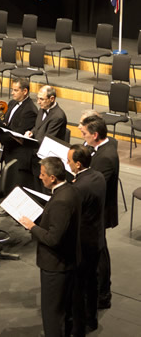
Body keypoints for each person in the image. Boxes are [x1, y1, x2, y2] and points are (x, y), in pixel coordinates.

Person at [20, 157, 81, 337]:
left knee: (52, 313)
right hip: (68, 260)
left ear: (53, 177)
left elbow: (54, 239)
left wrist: (32, 226)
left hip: (56, 265)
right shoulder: (71, 190)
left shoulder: (60, 201)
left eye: (43, 174)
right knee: (64, 310)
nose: (40, 177)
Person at [79, 115, 119, 310]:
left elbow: (94, 187)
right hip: (96, 210)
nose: (82, 137)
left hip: (99, 212)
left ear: (95, 135)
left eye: (85, 134)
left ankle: (103, 294)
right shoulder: (102, 146)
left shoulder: (105, 158)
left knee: (99, 252)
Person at [67, 144, 106, 334]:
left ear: (79, 164)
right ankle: (92, 319)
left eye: (70, 161)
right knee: (92, 282)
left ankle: (78, 326)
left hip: (82, 243)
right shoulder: (98, 176)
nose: (68, 163)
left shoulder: (78, 188)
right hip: (97, 237)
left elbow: (70, 215)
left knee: (78, 287)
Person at [0, 77, 38, 190]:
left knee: (16, 188)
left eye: (15, 90)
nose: (12, 92)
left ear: (25, 91)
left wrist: (1, 132)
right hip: (9, 152)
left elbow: (16, 134)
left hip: (19, 157)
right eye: (12, 89)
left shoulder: (30, 110)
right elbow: (5, 122)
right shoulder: (12, 103)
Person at [25, 85, 68, 190]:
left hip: (48, 158)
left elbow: (48, 140)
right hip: (37, 153)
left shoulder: (58, 116)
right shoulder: (42, 109)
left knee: (43, 189)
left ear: (52, 99)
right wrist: (31, 132)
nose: (38, 102)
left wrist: (27, 141)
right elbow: (38, 127)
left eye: (42, 99)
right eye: (38, 98)